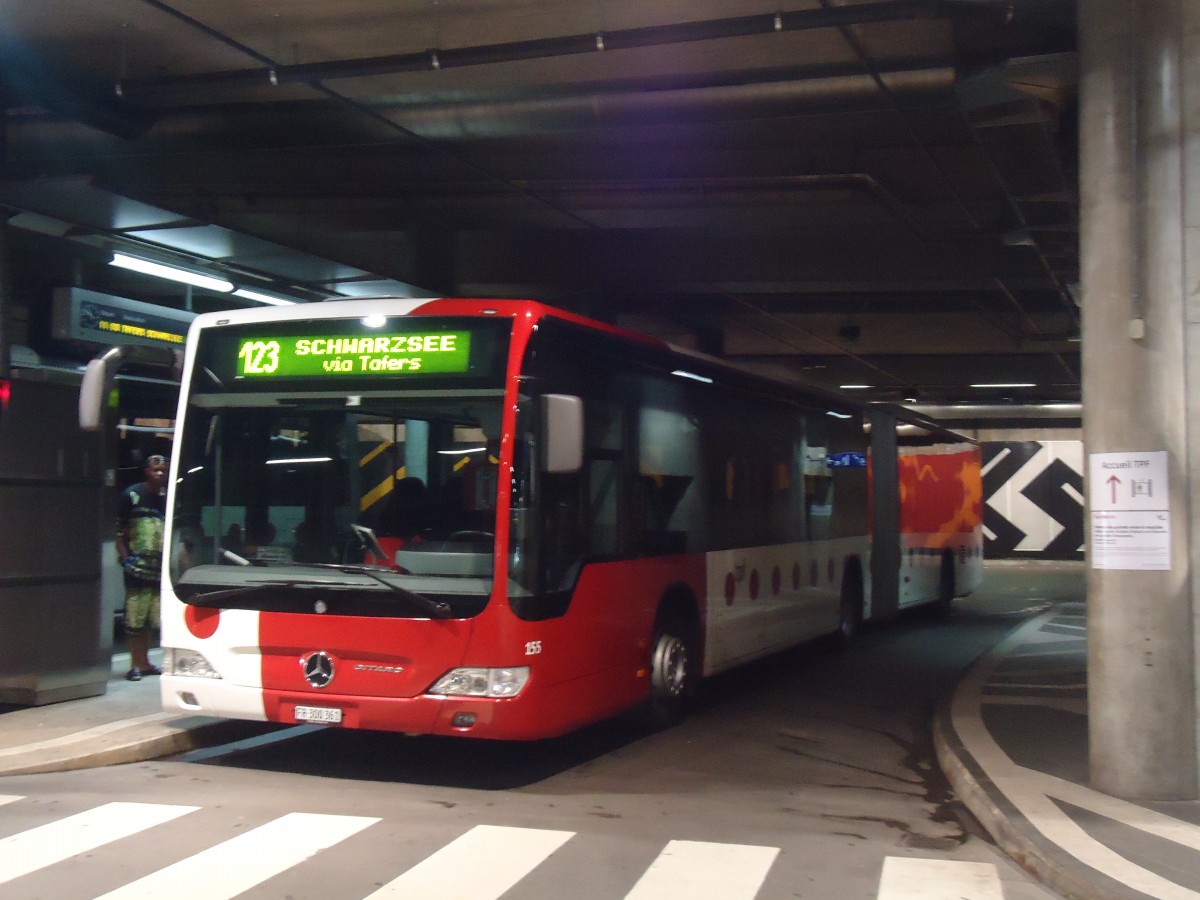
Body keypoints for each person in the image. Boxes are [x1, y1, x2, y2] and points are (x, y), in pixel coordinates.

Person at [115, 454, 169, 682]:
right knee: (134, 618)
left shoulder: (167, 497)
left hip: (158, 570)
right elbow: (119, 534)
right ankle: (134, 664)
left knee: (151, 619)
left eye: (163, 470)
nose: (159, 474)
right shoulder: (132, 495)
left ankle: (145, 662)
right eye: (155, 470)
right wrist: (126, 560)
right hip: (137, 568)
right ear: (146, 471)